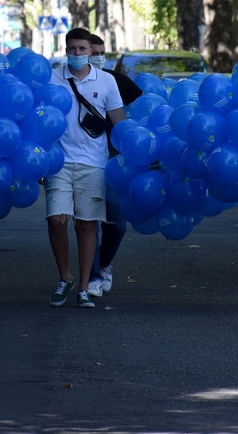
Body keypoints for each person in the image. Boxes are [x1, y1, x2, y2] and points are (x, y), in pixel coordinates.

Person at [45, 28, 127, 308]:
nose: (77, 53)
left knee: (86, 224)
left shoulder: (106, 81)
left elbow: (120, 123)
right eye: (72, 49)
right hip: (59, 162)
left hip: (93, 163)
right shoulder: (52, 78)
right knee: (56, 220)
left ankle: (83, 287)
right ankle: (65, 277)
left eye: (82, 49)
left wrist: (132, 158)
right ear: (65, 49)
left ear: (91, 50)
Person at [85, 34, 143, 299]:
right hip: (84, 160)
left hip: (115, 163)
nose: (98, 57)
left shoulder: (115, 81)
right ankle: (92, 276)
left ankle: (104, 265)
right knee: (89, 224)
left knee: (117, 225)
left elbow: (142, 105)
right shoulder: (71, 82)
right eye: (93, 52)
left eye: (102, 53)